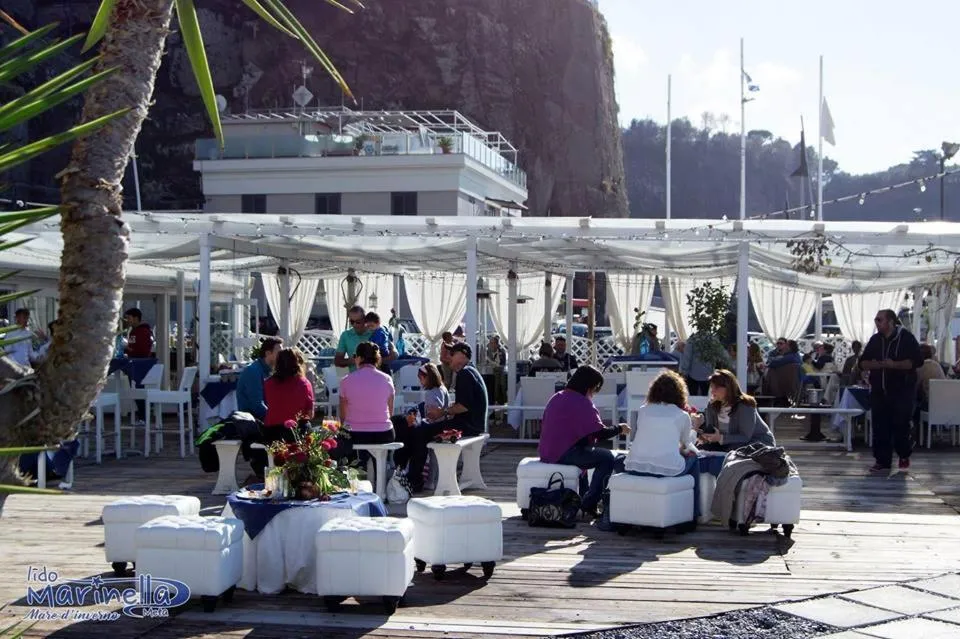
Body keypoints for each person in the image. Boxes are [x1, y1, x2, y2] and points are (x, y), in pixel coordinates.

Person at [538, 365, 628, 517]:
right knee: (606, 458)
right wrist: (620, 428)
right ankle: (589, 503)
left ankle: (585, 499)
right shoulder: (581, 402)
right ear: (588, 386)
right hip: (564, 453)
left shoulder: (557, 396)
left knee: (585, 454)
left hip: (548, 451)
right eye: (595, 388)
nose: (594, 393)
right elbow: (600, 433)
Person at [397, 342, 488, 493]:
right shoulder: (472, 371)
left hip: (467, 426)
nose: (446, 358)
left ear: (462, 355)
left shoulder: (465, 373)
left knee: (419, 432)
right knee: (422, 430)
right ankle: (416, 476)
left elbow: (464, 406)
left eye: (451, 354)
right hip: (474, 425)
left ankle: (414, 479)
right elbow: (466, 404)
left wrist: (442, 412)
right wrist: (449, 409)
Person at [619, 369, 701, 521]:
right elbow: (686, 445)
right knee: (694, 458)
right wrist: (695, 428)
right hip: (667, 470)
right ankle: (694, 513)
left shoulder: (643, 411)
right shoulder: (682, 415)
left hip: (636, 468)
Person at [860, 309, 922, 473]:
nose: (876, 322)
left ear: (891, 322)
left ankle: (903, 454)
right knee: (880, 426)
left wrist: (894, 365)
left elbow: (916, 361)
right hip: (879, 390)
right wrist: (876, 365)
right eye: (875, 319)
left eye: (879, 319)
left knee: (900, 425)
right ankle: (882, 461)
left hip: (901, 390)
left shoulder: (906, 338)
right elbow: (863, 362)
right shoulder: (875, 340)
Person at [252, 348, 315, 478]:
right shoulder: (304, 384)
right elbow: (310, 414)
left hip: (272, 433)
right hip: (296, 433)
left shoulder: (268, 383)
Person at [338, 342, 396, 460]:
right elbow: (390, 412)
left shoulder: (346, 381)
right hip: (383, 433)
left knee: (342, 438)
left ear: (359, 358)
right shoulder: (387, 379)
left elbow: (343, 416)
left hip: (355, 433)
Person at [700, 369, 775, 452]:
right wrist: (702, 432)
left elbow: (745, 437)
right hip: (729, 444)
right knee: (700, 450)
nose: (712, 390)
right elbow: (712, 430)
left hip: (756, 443)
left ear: (728, 388)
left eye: (716, 387)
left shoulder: (745, 405)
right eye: (712, 386)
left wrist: (720, 438)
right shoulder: (712, 404)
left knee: (732, 450)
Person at [236, 337, 282, 421]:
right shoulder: (253, 371)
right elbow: (257, 406)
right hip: (252, 424)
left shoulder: (270, 371)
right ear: (268, 353)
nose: (282, 357)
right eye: (279, 353)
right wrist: (278, 419)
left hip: (263, 419)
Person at [334, 305, 373, 371]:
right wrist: (354, 361)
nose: (354, 324)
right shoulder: (346, 335)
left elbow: (394, 355)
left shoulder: (375, 333)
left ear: (365, 320)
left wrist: (374, 360)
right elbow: (337, 361)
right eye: (352, 322)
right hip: (355, 378)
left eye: (358, 322)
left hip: (375, 378)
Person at [917, 343, 946, 410]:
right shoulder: (937, 365)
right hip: (943, 403)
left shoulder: (921, 367)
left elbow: (915, 386)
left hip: (930, 406)